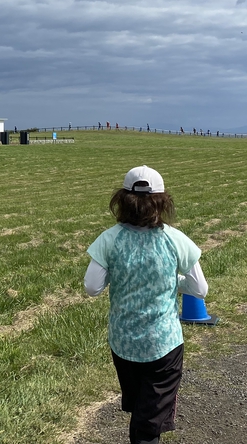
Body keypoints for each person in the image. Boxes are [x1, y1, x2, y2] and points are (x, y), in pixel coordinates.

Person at [84, 166, 208, 444]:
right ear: (162, 202)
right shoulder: (175, 239)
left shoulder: (110, 239)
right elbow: (200, 289)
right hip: (163, 345)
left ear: (123, 200)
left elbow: (92, 287)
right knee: (149, 423)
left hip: (123, 343)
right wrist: (174, 281)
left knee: (140, 412)